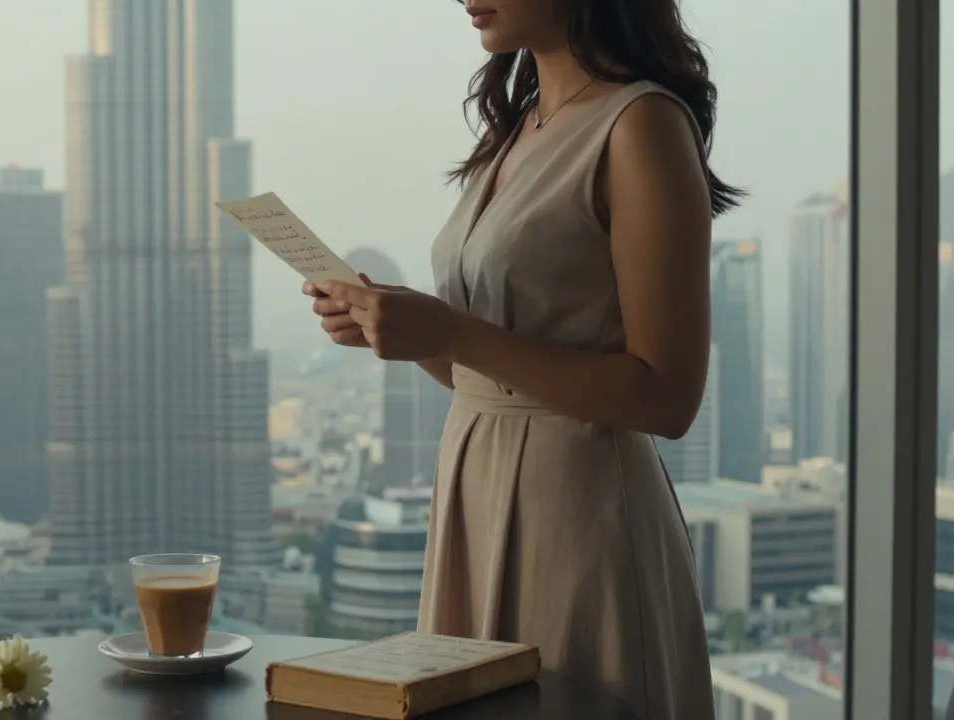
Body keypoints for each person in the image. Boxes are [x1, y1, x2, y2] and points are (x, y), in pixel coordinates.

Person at [306, 1, 740, 717]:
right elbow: (487, 374)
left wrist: (448, 332)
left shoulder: (642, 125)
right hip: (472, 494)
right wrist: (399, 329)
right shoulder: (517, 129)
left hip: (578, 516)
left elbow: (668, 396)